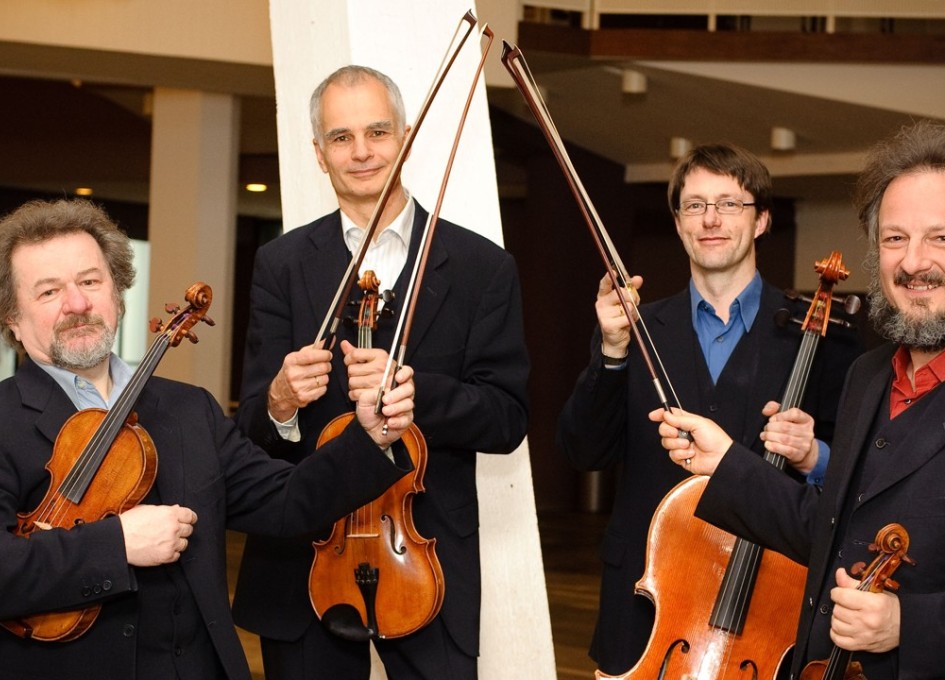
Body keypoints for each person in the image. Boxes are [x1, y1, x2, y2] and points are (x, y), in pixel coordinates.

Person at [656, 120, 945, 679]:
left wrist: (911, 625)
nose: (913, 262)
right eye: (894, 239)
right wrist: (726, 462)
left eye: (942, 238)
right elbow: (832, 530)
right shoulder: (868, 376)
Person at [0, 198, 417, 680]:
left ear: (117, 292)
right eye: (49, 291)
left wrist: (371, 436)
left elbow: (286, 502)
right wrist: (117, 544)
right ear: (12, 318)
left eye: (90, 281)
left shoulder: (188, 408)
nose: (77, 304)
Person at [230, 65, 529, 680]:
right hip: (306, 553)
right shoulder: (281, 264)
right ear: (320, 154)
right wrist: (280, 401)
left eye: (377, 132)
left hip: (425, 552)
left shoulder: (481, 267)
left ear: (406, 138)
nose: (362, 152)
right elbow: (251, 429)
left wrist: (422, 396)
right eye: (341, 138)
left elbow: (507, 419)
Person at [556, 142, 861, 674]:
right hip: (645, 605)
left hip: (766, 604)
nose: (711, 219)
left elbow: (855, 477)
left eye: (729, 203)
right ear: (678, 224)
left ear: (762, 220)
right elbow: (583, 451)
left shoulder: (819, 335)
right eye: (695, 205)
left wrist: (814, 453)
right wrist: (611, 351)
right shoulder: (636, 329)